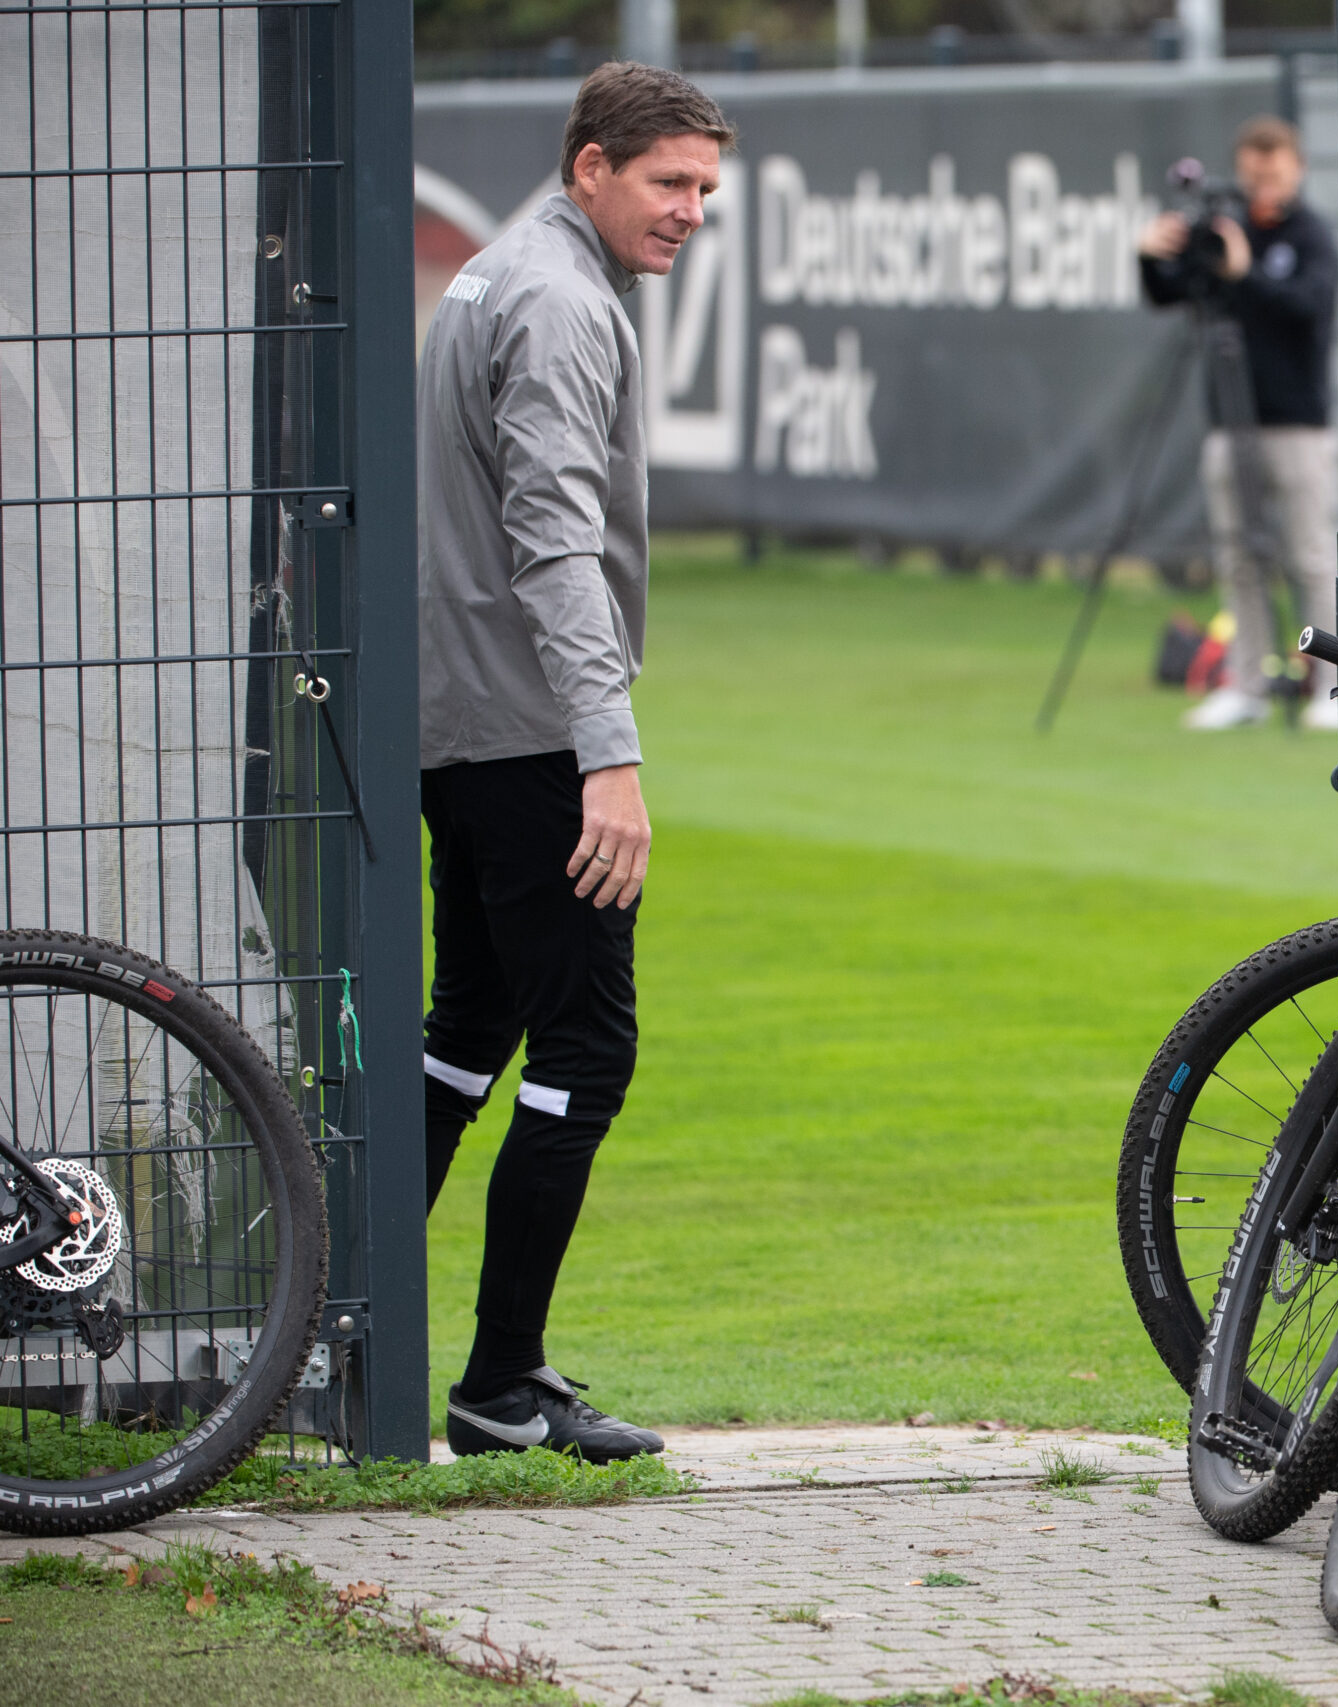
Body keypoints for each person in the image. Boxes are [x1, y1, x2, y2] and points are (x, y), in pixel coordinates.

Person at [412, 63, 735, 1461]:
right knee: (585, 1050)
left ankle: (309, 1314)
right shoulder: (554, 300)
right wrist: (609, 755)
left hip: (463, 723)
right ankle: (498, 1381)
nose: (691, 212)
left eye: (706, 189)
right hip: (532, 733)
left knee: (468, 1035)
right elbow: (552, 538)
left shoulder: (504, 274)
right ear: (589, 166)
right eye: (669, 183)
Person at [1138, 115, 1338, 732]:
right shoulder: (1228, 231)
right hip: (1230, 425)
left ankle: (1332, 690)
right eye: (1254, 172)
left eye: (1275, 170)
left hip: (1297, 426)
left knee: (1310, 557)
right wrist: (1150, 258)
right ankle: (1246, 684)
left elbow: (1307, 306)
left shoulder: (1310, 235)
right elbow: (1172, 292)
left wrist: (1246, 272)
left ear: (1297, 169)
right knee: (1238, 560)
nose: (1264, 183)